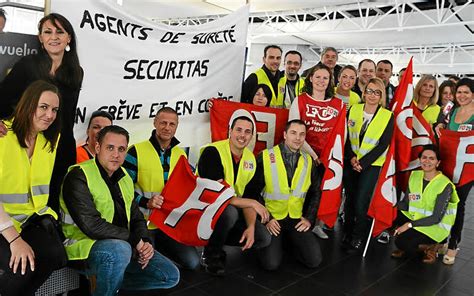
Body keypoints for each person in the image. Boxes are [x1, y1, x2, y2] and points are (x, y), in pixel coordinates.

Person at [60, 125, 179, 295]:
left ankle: (108, 284)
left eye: (121, 149)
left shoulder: (124, 177)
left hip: (123, 246)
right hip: (83, 248)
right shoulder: (79, 176)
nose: (116, 154)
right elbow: (92, 225)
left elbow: (136, 217)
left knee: (169, 276)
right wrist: (134, 240)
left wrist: (145, 241)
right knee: (119, 250)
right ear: (98, 148)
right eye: (110, 148)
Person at [0, 13, 83, 213]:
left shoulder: (76, 72)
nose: (53, 37)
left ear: (68, 38)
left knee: (54, 197)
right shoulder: (27, 65)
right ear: (40, 38)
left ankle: (49, 235)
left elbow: (69, 114)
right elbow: (3, 98)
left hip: (61, 144)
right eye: (48, 32)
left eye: (59, 32)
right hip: (29, 142)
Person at [0, 80, 66, 296]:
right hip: (3, 223)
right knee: (21, 268)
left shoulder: (50, 141)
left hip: (28, 220)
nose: (50, 115)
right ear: (29, 105)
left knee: (55, 257)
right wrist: (14, 240)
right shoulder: (3, 136)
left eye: (54, 109)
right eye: (43, 107)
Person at [123, 107, 197, 270]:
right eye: (163, 122)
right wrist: (146, 202)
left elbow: (190, 189)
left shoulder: (181, 155)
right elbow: (122, 190)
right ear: (155, 122)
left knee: (193, 263)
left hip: (170, 225)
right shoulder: (136, 151)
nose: (167, 127)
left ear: (177, 127)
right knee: (145, 266)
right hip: (144, 224)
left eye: (172, 124)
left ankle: (161, 249)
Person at [197, 114, 271, 275]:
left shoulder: (251, 159)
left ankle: (219, 238)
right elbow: (218, 196)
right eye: (238, 130)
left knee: (263, 237)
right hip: (204, 209)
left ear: (252, 136)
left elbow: (249, 198)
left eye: (247, 132)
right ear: (230, 131)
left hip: (232, 208)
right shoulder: (213, 151)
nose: (242, 135)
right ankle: (211, 252)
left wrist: (251, 227)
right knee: (229, 213)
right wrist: (251, 203)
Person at [245, 119, 322, 270]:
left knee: (315, 261)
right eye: (293, 133)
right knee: (271, 265)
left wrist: (309, 219)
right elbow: (253, 192)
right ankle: (267, 242)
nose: (298, 138)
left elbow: (316, 192)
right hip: (272, 219)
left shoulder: (309, 161)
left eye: (302, 134)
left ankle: (287, 242)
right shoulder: (266, 157)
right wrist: (266, 219)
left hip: (295, 218)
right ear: (285, 135)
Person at [289, 63, 345, 239]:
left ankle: (318, 223)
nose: (321, 81)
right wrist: (313, 155)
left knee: (323, 189)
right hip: (303, 153)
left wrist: (328, 156)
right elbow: (293, 129)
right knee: (302, 188)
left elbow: (341, 134)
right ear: (311, 78)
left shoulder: (339, 104)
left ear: (330, 82)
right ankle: (296, 221)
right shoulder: (300, 100)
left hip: (328, 157)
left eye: (325, 78)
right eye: (318, 77)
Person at [342, 77, 394, 251]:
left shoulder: (387, 115)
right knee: (349, 199)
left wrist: (363, 163)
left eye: (377, 92)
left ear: (381, 96)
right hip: (351, 161)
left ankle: (358, 236)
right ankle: (347, 232)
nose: (372, 95)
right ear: (364, 93)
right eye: (369, 91)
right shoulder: (354, 109)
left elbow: (383, 144)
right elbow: (346, 137)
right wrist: (351, 158)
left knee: (361, 201)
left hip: (371, 165)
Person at [391, 145, 459, 264]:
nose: (427, 161)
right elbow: (406, 204)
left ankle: (431, 247)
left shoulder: (444, 184)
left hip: (434, 227)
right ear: (420, 160)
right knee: (389, 215)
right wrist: (390, 207)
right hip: (417, 219)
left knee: (401, 242)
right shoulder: (415, 176)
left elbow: (436, 218)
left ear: (438, 162)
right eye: (424, 157)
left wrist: (409, 225)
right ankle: (409, 245)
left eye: (431, 158)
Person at [434, 78, 473, 265]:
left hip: (468, 169)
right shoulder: (450, 108)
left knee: (459, 204)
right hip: (448, 163)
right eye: (459, 92)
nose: (462, 96)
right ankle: (441, 238)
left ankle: (453, 244)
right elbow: (439, 122)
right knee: (444, 201)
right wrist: (439, 126)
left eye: (466, 92)